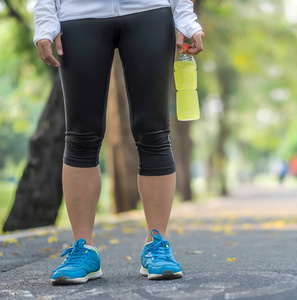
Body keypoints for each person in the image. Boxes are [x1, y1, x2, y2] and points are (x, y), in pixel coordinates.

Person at [33, 0, 204, 285]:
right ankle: (82, 250)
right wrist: (45, 22)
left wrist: (186, 19)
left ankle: (156, 246)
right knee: (80, 136)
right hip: (79, 16)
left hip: (149, 11)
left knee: (154, 133)